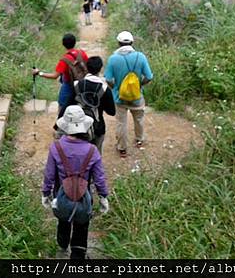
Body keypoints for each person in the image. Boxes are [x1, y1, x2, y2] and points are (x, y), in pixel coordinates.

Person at [42, 105, 109, 259]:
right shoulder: (92, 150)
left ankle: (62, 246)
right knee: (82, 226)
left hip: (61, 195)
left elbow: (49, 174)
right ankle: (78, 256)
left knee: (63, 221)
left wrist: (45, 193)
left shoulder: (56, 147)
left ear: (65, 126)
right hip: (83, 197)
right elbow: (99, 178)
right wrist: (103, 197)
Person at [104, 31, 154, 158]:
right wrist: (140, 85)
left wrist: (115, 88)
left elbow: (108, 79)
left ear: (118, 43)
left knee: (121, 122)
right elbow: (149, 76)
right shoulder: (140, 57)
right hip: (137, 96)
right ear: (132, 42)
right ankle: (139, 140)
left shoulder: (113, 59)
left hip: (120, 97)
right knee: (139, 119)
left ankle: (122, 148)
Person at [59, 56, 116, 154]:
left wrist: (58, 124)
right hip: (97, 126)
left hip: (77, 125)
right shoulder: (105, 89)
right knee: (95, 155)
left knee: (77, 154)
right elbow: (112, 112)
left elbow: (67, 105)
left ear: (86, 67)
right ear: (100, 68)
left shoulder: (77, 85)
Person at [32, 33, 88, 110]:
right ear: (75, 42)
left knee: (62, 105)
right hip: (82, 83)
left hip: (69, 84)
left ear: (63, 44)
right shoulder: (82, 53)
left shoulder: (64, 60)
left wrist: (39, 73)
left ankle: (61, 119)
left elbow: (55, 76)